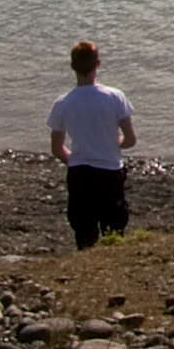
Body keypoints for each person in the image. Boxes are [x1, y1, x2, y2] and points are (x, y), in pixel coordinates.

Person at [46, 42, 138, 249]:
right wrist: (111, 144)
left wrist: (75, 158)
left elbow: (56, 148)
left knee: (84, 232)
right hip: (109, 171)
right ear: (97, 64)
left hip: (80, 173)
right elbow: (130, 139)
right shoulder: (115, 97)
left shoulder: (62, 103)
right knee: (114, 230)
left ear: (72, 66)